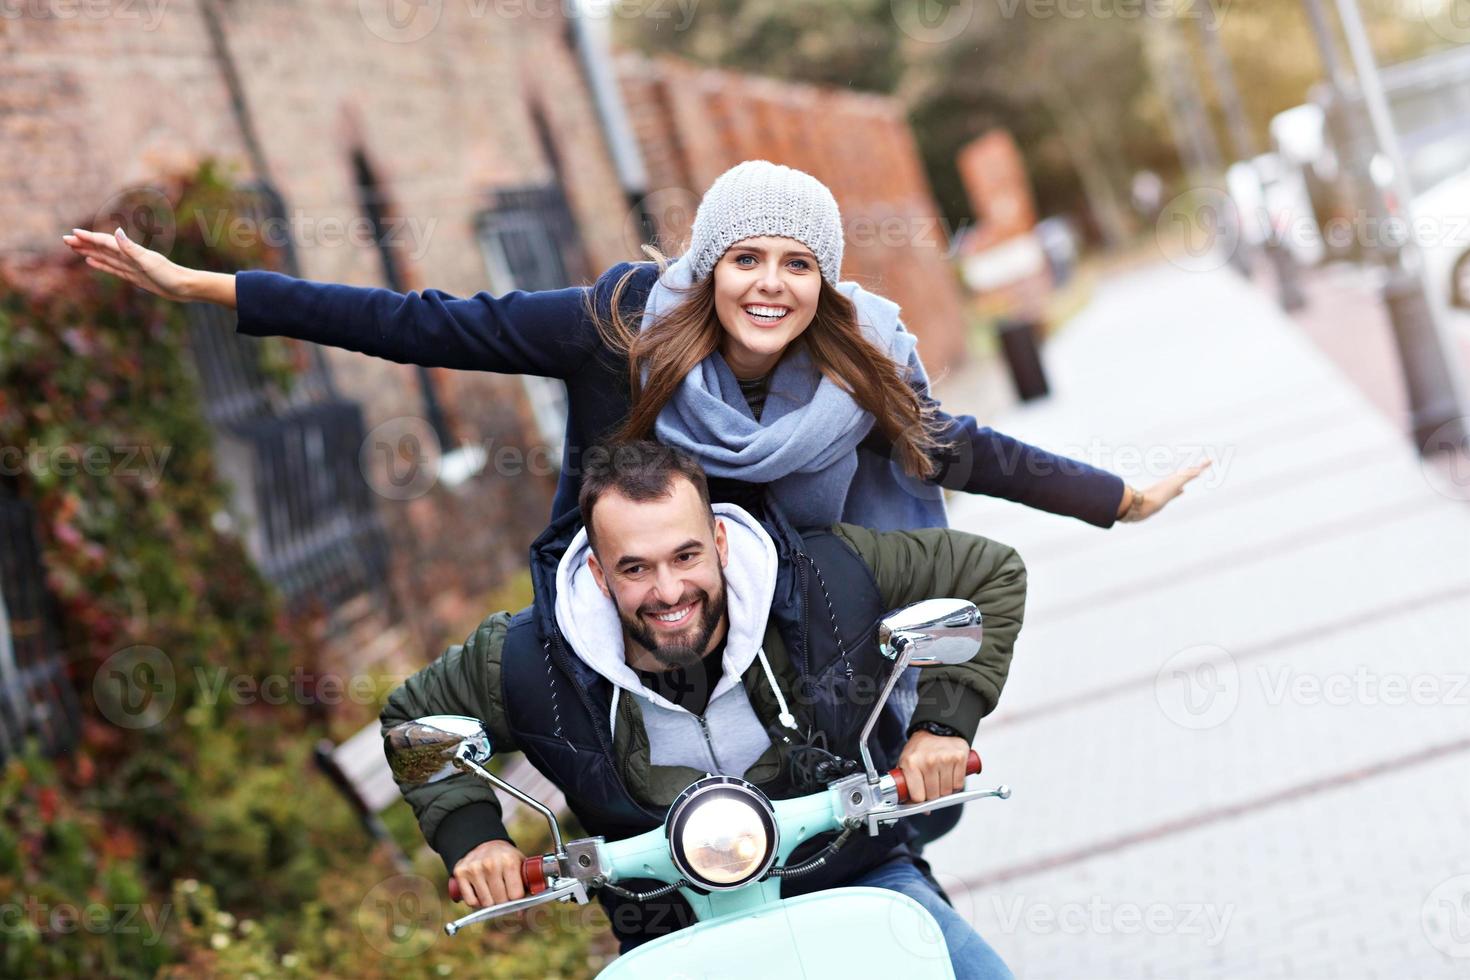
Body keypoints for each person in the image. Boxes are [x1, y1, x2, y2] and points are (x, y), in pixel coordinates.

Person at [61, 160, 1208, 535]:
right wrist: (205, 282)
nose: (770, 283)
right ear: (708, 265)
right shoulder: (615, 324)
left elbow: (953, 446)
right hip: (627, 586)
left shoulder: (853, 360)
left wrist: (1114, 498)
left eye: (797, 264)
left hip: (785, 604)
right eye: (747, 258)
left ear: (823, 281)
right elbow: (419, 321)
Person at [380, 440, 1024, 978]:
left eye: (686, 555)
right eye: (634, 569)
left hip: (857, 877)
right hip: (669, 931)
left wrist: (940, 727)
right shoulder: (529, 656)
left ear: (718, 539)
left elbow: (988, 573)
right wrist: (478, 839)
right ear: (600, 574)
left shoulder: (823, 578)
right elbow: (415, 716)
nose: (667, 591)